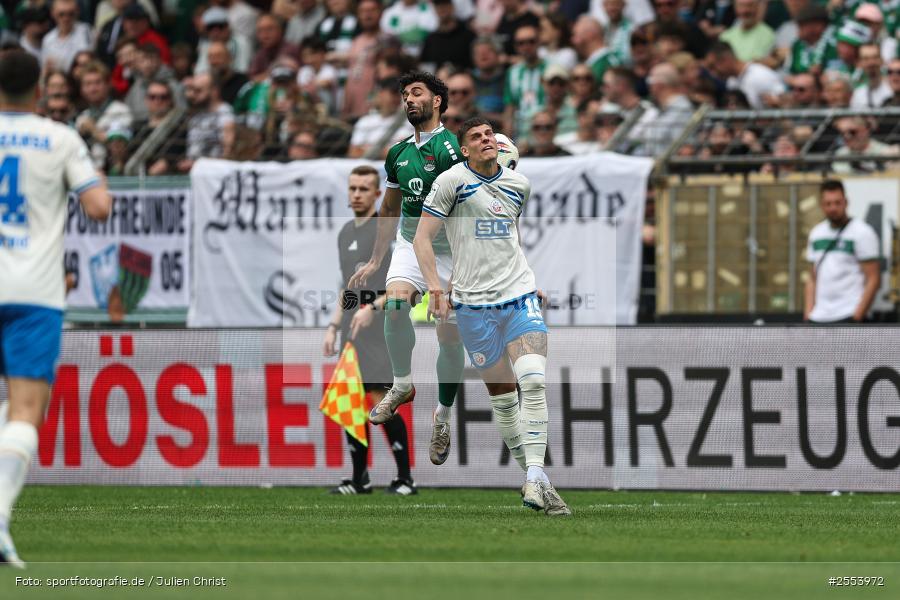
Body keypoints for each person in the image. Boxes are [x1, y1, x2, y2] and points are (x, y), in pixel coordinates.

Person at [412, 116, 570, 516]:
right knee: (504, 399)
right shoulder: (451, 182)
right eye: (477, 137)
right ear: (464, 149)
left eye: (490, 136)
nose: (486, 141)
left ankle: (533, 477)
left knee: (532, 382)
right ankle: (541, 483)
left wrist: (528, 281)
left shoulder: (520, 186)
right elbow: (422, 239)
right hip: (472, 306)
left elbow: (506, 241)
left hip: (518, 297)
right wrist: (435, 288)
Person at [0, 50, 111, 568]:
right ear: (40, 87)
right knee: (24, 411)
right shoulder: (60, 138)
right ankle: (0, 519)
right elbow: (99, 206)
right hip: (33, 292)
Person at [348, 71, 465, 467]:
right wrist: (377, 259)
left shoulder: (453, 148)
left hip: (453, 250)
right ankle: (401, 385)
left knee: (449, 336)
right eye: (404, 95)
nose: (408, 99)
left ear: (437, 101)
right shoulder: (397, 154)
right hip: (412, 245)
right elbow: (390, 208)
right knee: (397, 306)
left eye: (417, 93)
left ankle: (443, 417)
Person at [322, 165, 416, 495]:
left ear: (378, 194)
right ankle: (359, 478)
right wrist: (334, 325)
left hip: (381, 329)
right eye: (353, 188)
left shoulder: (385, 231)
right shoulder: (346, 232)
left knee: (380, 400)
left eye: (364, 189)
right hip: (352, 330)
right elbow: (346, 287)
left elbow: (402, 287)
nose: (357, 194)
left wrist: (371, 308)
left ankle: (405, 478)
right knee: (350, 400)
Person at [804, 180, 880, 324]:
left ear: (846, 202)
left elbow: (873, 279)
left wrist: (857, 316)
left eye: (837, 203)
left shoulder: (862, 233)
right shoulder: (816, 233)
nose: (833, 208)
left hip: (848, 314)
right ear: (821, 205)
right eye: (828, 203)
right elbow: (812, 279)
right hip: (819, 317)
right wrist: (808, 315)